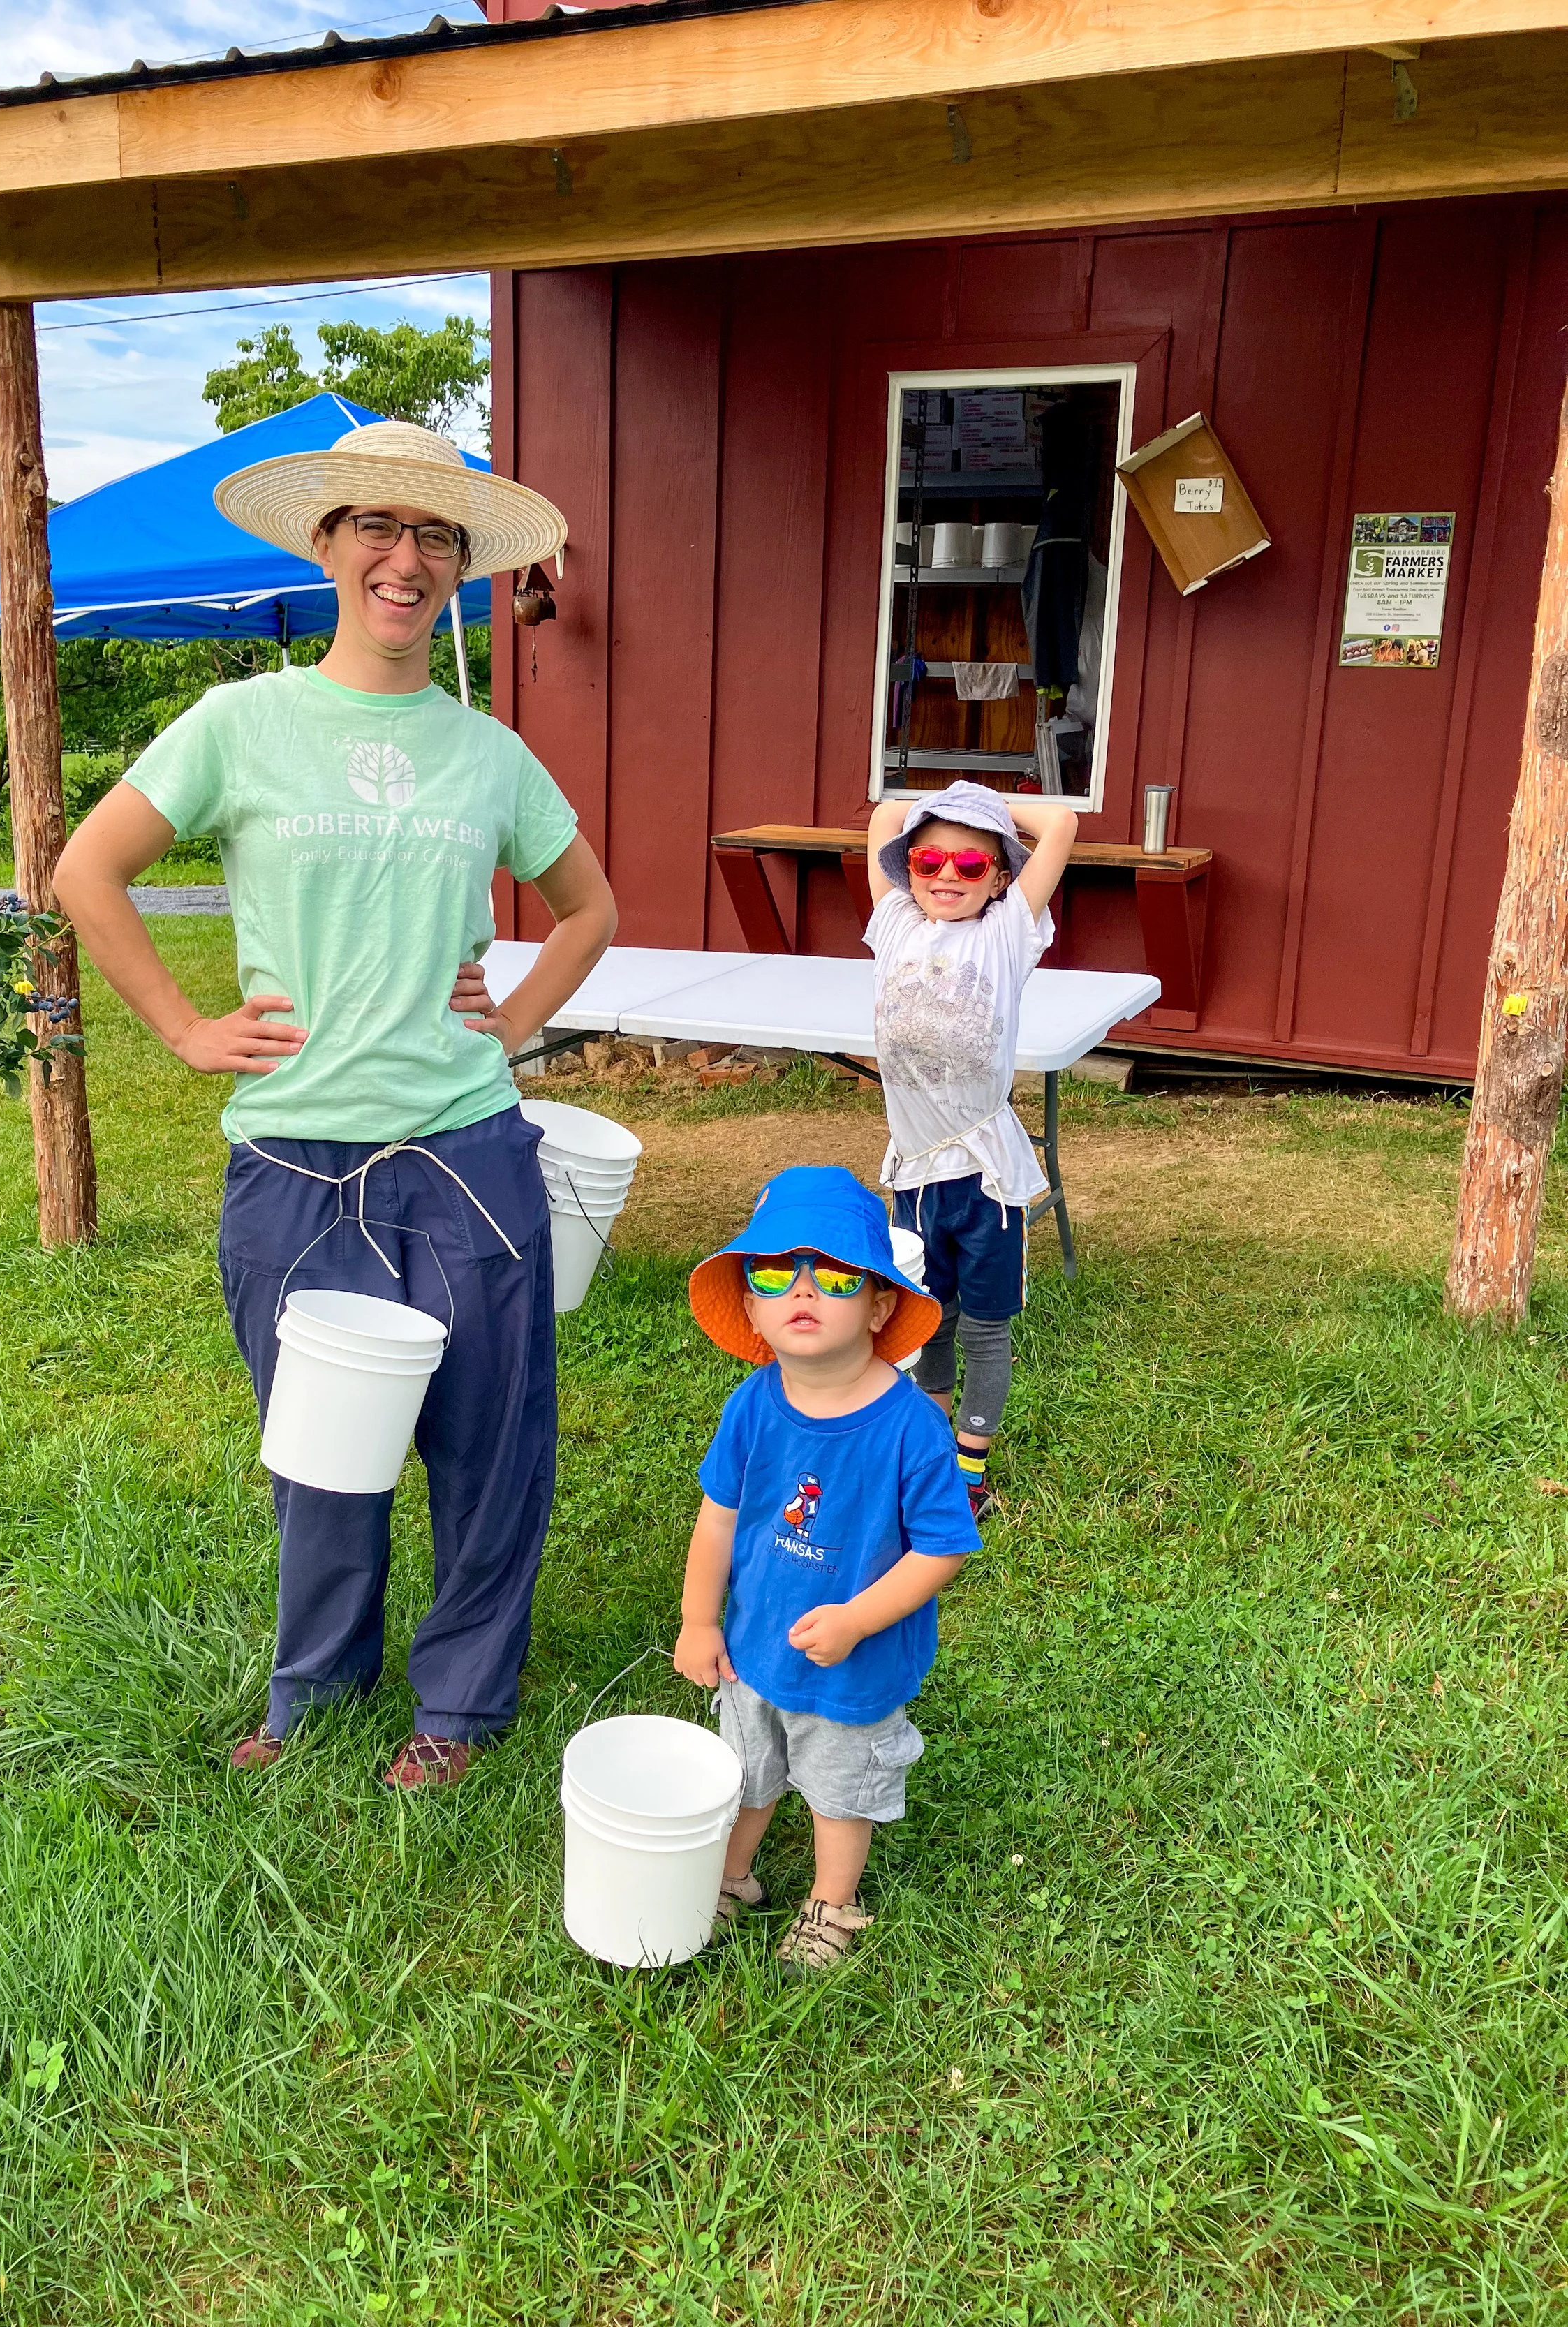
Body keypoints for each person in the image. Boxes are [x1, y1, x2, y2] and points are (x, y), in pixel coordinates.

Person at [55, 422, 617, 1788]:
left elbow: (588, 907)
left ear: (462, 570)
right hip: (293, 1162)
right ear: (326, 543)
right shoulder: (241, 722)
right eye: (377, 525)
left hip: (469, 1149)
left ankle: (462, 1707)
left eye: (436, 537)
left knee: (489, 1443)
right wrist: (187, 1027)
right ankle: (314, 1689)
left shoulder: (486, 753)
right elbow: (87, 869)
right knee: (322, 1449)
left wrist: (522, 1018)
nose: (405, 557)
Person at [674, 1167, 977, 1971]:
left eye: (836, 1275)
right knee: (744, 1774)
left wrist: (857, 1621)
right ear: (749, 1306)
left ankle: (829, 1903)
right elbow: (719, 1518)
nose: (802, 1290)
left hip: (855, 1661)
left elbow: (942, 1548)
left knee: (841, 1792)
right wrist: (699, 1621)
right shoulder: (751, 1404)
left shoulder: (912, 1427)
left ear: (880, 1305)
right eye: (774, 1273)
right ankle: (732, 1877)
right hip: (754, 1648)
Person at [861, 781, 1077, 1517]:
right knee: (926, 1316)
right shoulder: (892, 919)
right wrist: (953, 806)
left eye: (970, 866)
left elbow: (1062, 821)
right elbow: (885, 816)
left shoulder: (1007, 931)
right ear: (906, 871)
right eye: (928, 860)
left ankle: (971, 1469)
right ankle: (928, 1442)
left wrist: (987, 812)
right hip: (915, 1172)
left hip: (986, 1178)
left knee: (984, 1326)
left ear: (1001, 879)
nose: (946, 876)